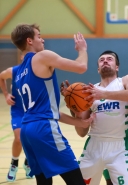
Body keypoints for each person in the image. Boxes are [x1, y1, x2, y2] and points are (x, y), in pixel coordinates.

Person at [60, 43, 128, 185]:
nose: (105, 61)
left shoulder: (125, 81)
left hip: (124, 143)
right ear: (98, 68)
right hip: (95, 145)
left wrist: (103, 94)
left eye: (109, 59)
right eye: (101, 60)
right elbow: (81, 131)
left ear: (117, 67)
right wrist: (74, 106)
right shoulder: (90, 91)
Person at [10, 23, 93, 185]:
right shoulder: (42, 56)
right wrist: (82, 49)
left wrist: (78, 121)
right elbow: (81, 67)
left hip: (27, 130)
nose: (43, 39)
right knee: (76, 180)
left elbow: (47, 111)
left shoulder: (19, 72)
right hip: (44, 129)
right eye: (39, 36)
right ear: (29, 41)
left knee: (44, 182)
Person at [0, 63, 33, 182]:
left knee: (32, 137)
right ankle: (14, 164)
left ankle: (28, 163)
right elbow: (1, 77)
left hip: (32, 110)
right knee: (18, 138)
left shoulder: (38, 70)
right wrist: (6, 94)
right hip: (18, 110)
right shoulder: (14, 71)